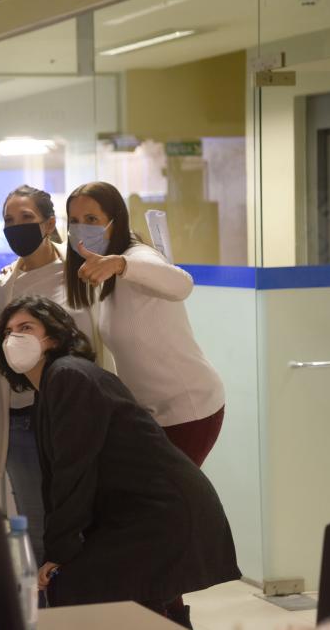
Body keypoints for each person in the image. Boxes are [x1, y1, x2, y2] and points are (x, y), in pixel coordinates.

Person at [0, 296, 241, 628]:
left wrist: (59, 553)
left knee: (77, 585)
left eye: (25, 328)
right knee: (123, 596)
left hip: (162, 515)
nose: (13, 339)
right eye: (7, 331)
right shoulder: (52, 386)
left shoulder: (68, 376)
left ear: (52, 335)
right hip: (149, 513)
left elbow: (72, 472)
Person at [64, 182, 225, 468]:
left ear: (115, 222)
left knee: (171, 502)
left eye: (92, 220)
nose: (82, 228)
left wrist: (122, 265)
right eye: (74, 221)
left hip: (189, 408)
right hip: (151, 414)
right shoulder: (100, 269)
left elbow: (182, 284)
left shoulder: (137, 257)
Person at [0, 184, 114, 563]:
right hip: (23, 418)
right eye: (9, 220)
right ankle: (48, 613)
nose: (16, 227)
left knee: (86, 519)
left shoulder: (79, 272)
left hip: (74, 415)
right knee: (36, 527)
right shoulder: (4, 283)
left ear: (49, 224)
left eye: (26, 219)